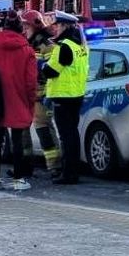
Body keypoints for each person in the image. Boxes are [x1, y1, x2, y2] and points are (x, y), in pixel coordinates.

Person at [0, 10, 38, 191]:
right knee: (17, 140)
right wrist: (30, 102)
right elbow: (31, 82)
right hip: (18, 98)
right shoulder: (27, 50)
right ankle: (18, 179)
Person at [41, 11, 89, 185]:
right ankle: (73, 171)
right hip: (77, 94)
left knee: (66, 136)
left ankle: (68, 173)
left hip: (63, 96)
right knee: (72, 135)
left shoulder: (63, 46)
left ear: (64, 26)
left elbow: (50, 71)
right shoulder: (80, 45)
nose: (55, 29)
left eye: (58, 26)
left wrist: (42, 65)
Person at [21, 10, 61, 176]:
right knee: (21, 130)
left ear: (34, 26)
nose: (23, 29)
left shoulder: (48, 46)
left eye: (26, 25)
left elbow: (50, 72)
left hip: (40, 95)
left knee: (43, 129)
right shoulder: (26, 44)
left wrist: (43, 93)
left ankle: (55, 166)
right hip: (26, 95)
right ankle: (25, 166)